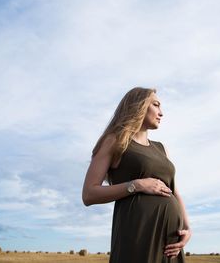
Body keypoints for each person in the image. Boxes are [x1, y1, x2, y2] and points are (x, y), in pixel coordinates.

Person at [82, 87, 191, 262]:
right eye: (156, 105)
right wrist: (137, 185)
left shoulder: (161, 148)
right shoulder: (114, 141)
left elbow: (174, 191)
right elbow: (88, 194)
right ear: (138, 106)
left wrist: (187, 227)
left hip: (170, 242)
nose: (161, 113)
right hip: (137, 235)